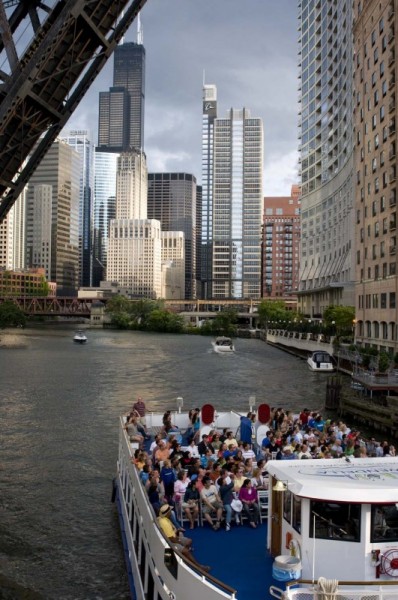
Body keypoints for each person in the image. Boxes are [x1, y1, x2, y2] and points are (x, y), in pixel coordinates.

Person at [157, 504, 210, 571]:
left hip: (174, 536)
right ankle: (199, 567)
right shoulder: (165, 523)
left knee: (189, 541)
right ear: (168, 513)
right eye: (170, 511)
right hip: (170, 542)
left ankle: (185, 558)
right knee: (186, 550)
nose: (171, 511)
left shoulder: (165, 519)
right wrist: (180, 542)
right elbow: (171, 539)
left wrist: (177, 531)